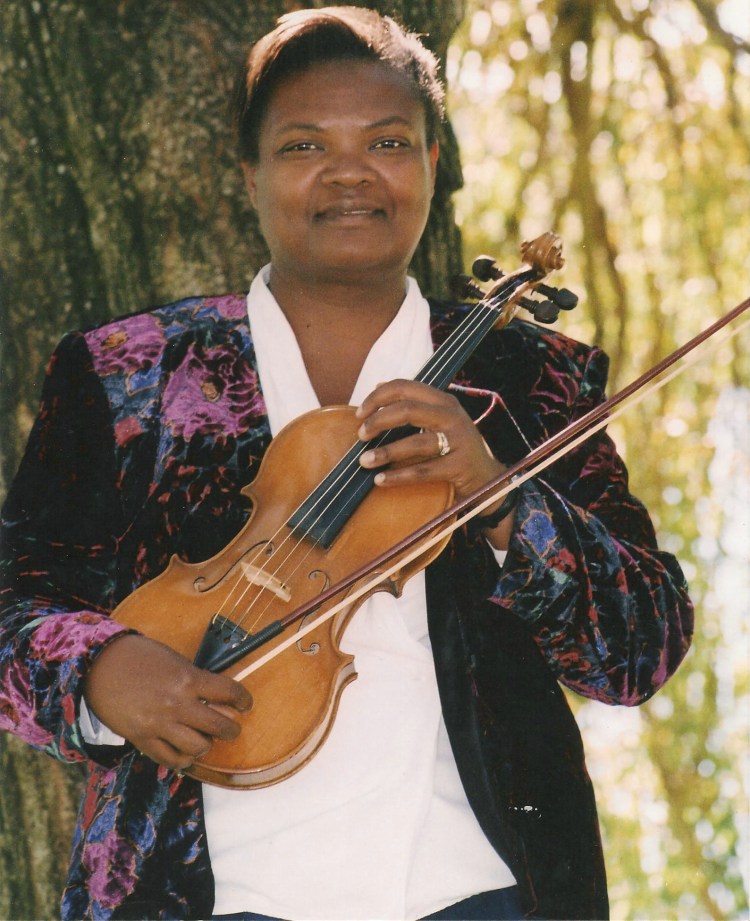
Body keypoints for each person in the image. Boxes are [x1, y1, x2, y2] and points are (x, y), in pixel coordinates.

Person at [0, 7, 694, 920]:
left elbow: (643, 645)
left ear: (433, 163)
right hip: (200, 895)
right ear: (249, 176)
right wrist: (98, 670)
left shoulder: (534, 378)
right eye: (303, 146)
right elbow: (14, 601)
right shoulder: (130, 373)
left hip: (481, 890)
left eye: (387, 141)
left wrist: (498, 493)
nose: (350, 172)